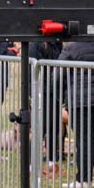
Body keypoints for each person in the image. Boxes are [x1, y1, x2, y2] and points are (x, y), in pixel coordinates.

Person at [57, 41, 94, 187]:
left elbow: (58, 74)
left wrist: (61, 96)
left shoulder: (71, 48)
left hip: (80, 100)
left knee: (83, 138)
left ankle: (82, 179)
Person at [29, 40, 64, 177]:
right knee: (40, 128)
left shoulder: (57, 43)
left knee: (53, 127)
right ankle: (32, 165)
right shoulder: (35, 44)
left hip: (54, 91)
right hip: (40, 90)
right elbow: (31, 67)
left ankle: (50, 162)